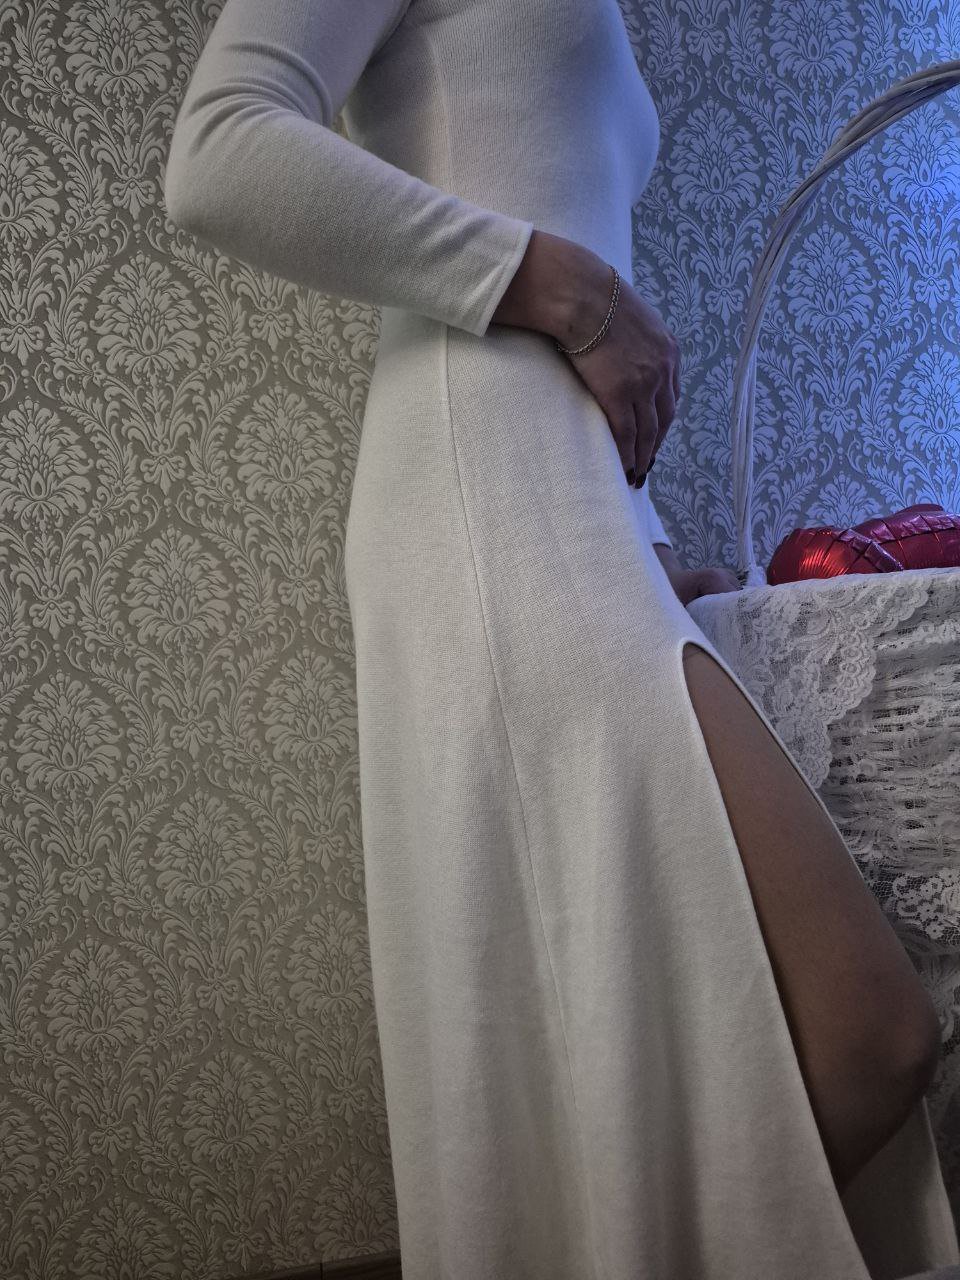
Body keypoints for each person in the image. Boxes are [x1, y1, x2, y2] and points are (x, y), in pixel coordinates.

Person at [163, 1, 960, 1276]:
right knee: (872, 1029)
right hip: (483, 497)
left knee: (729, 1037)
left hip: (574, 514)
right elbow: (220, 148)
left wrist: (643, 546)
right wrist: (568, 286)